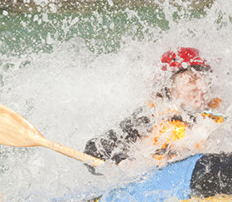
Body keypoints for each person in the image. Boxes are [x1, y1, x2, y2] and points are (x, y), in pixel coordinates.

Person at [84, 47, 224, 168]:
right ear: (169, 85)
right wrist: (123, 162)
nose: (202, 87)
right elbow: (96, 147)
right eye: (191, 80)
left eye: (205, 79)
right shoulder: (149, 117)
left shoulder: (219, 117)